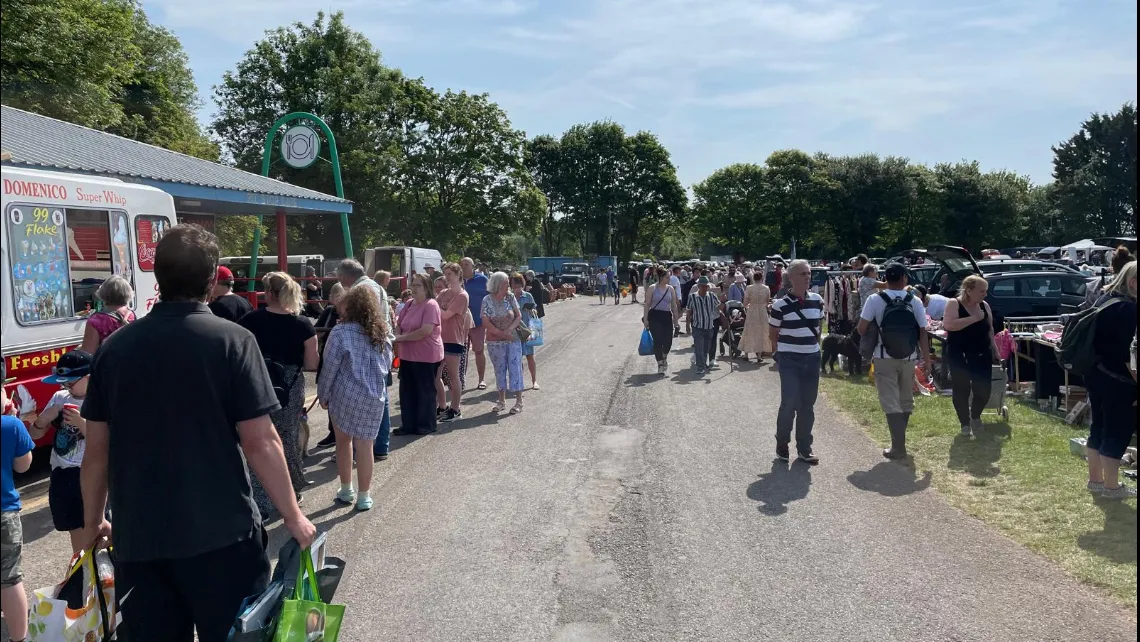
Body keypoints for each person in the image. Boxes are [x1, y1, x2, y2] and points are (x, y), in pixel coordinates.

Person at [79, 224, 314, 642]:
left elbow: (96, 451)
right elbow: (260, 441)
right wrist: (293, 516)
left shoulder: (114, 350)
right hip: (222, 534)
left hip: (141, 537)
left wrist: (94, 522)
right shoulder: (233, 341)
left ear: (157, 277)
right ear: (211, 282)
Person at [239, 272, 319, 514]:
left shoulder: (249, 320)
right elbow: (312, 363)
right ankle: (292, 491)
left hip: (257, 383)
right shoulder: (303, 324)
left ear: (270, 293)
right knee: (288, 438)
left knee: (256, 439)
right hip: (290, 386)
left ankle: (261, 499)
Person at [319, 286, 393, 511]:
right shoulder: (382, 332)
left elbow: (330, 366)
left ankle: (345, 489)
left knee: (343, 443)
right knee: (366, 446)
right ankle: (364, 496)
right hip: (374, 396)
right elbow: (387, 365)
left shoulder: (340, 332)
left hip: (345, 394)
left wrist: (323, 394)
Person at [857, 264, 931, 460]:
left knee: (890, 402)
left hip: (883, 356)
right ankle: (899, 444)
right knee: (905, 400)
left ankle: (898, 447)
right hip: (909, 357)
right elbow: (923, 333)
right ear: (904, 279)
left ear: (885, 278)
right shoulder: (914, 300)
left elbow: (861, 329)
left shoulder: (875, 299)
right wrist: (927, 359)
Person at [28, 350, 93, 552]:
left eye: (70, 383)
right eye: (62, 383)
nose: (66, 387)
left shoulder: (99, 401)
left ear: (89, 377)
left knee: (93, 528)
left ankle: (98, 574)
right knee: (74, 528)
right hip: (61, 472)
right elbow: (34, 436)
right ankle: (81, 570)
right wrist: (41, 422)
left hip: (88, 473)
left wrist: (80, 423)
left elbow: (106, 441)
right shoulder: (60, 397)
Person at [1084, 261, 1137, 498]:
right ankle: (1112, 487)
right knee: (1117, 430)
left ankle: (1095, 480)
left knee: (1099, 426)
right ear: (1133, 283)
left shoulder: (1104, 300)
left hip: (1096, 372)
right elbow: (1127, 354)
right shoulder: (1128, 309)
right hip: (1118, 378)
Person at [768, 260, 823, 465]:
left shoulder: (817, 300)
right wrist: (779, 354)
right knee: (789, 403)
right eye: (802, 274)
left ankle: (804, 448)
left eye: (808, 273)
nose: (807, 277)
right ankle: (782, 443)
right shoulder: (779, 305)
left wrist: (814, 349)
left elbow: (818, 328)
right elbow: (773, 333)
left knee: (807, 405)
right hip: (789, 358)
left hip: (812, 357)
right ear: (791, 278)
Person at [941, 275, 999, 437]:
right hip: (959, 353)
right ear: (969, 291)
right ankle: (965, 423)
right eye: (981, 291)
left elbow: (990, 329)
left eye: (986, 291)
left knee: (984, 389)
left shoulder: (984, 305)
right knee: (962, 388)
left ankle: (975, 416)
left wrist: (995, 350)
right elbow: (949, 325)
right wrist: (973, 318)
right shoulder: (954, 304)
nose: (985, 294)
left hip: (982, 352)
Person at [2, 375, 34, 642]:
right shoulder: (11, 426)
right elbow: (23, 467)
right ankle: (19, 638)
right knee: (10, 579)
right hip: (4, 514)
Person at [393, 273, 444, 435]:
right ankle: (408, 424)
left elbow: (426, 330)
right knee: (407, 391)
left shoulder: (431, 305)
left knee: (425, 391)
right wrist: (398, 335)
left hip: (426, 355)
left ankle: (425, 424)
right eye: (412, 285)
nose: (413, 288)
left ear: (426, 288)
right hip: (407, 355)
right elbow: (399, 324)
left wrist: (401, 338)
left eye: (417, 285)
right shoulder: (408, 304)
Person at [482, 271, 526, 414]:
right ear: (498, 283)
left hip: (512, 339)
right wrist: (499, 333)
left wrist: (508, 330)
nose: (510, 284)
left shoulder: (510, 297)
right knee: (499, 370)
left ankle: (519, 401)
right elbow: (485, 320)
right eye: (507, 281)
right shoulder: (487, 300)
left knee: (515, 369)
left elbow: (518, 316)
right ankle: (501, 401)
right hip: (495, 342)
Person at [313, 283, 346, 449]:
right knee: (329, 397)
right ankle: (334, 433)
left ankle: (340, 436)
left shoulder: (350, 314)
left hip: (341, 360)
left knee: (338, 397)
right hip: (328, 356)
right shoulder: (329, 312)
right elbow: (316, 332)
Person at [437, 263, 471, 422]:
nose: (447, 277)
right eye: (446, 274)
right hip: (439, 338)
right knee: (435, 376)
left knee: (453, 375)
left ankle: (456, 408)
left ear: (458, 275)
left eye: (450, 274)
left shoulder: (462, 296)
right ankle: (442, 406)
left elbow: (445, 315)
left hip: (453, 339)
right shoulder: (444, 293)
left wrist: (432, 307)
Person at [80, 274, 135, 354]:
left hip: (109, 366)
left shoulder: (96, 321)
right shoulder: (134, 316)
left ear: (103, 294)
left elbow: (88, 354)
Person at [642, 267, 680, 374]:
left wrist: (675, 321)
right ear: (661, 277)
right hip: (655, 316)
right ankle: (660, 363)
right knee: (658, 341)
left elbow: (673, 305)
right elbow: (647, 304)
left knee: (668, 340)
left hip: (666, 316)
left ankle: (664, 356)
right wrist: (646, 320)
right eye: (667, 277)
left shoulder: (670, 289)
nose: (669, 279)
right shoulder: (652, 288)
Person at [461, 257, 490, 390]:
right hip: (460, 323)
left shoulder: (482, 280)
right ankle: (460, 381)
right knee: (460, 353)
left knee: (479, 351)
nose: (463, 267)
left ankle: (481, 379)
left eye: (466, 264)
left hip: (478, 322)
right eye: (462, 265)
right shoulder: (457, 281)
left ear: (473, 266)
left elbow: (490, 297)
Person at [686, 277, 722, 375]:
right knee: (699, 347)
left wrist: (723, 301)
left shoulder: (712, 296)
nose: (705, 288)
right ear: (698, 286)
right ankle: (700, 366)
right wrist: (687, 325)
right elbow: (689, 311)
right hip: (697, 326)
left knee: (706, 348)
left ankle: (703, 363)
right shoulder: (692, 297)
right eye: (703, 286)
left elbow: (719, 307)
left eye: (707, 286)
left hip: (709, 327)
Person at [512, 273, 540, 389]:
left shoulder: (528, 296)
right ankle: (520, 381)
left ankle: (534, 381)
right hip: (514, 330)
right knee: (517, 358)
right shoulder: (509, 297)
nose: (517, 287)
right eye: (514, 284)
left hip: (528, 329)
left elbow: (535, 311)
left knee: (530, 356)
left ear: (522, 284)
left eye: (519, 284)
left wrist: (531, 310)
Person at [738, 274, 771, 362]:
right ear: (762, 278)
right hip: (762, 311)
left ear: (753, 278)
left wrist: (748, 306)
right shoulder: (766, 288)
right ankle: (759, 356)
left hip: (752, 310)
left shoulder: (749, 288)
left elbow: (745, 302)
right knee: (761, 332)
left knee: (749, 331)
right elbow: (767, 302)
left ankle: (746, 354)